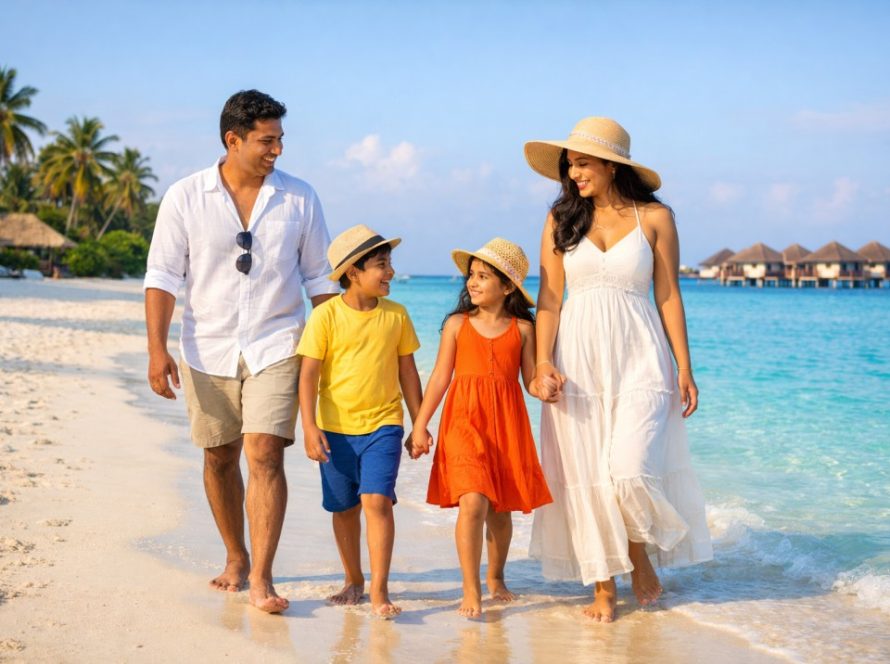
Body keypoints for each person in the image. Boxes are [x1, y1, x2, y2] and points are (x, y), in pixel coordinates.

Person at [144, 90, 338, 613]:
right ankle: (235, 556)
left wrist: (342, 345)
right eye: (266, 141)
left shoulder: (300, 197)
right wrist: (156, 350)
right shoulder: (185, 197)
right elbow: (163, 276)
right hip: (206, 347)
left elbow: (320, 278)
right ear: (233, 140)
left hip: (279, 341)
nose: (277, 150)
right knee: (219, 455)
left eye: (280, 140)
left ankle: (262, 577)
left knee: (264, 452)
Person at [524, 117, 713, 622]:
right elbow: (548, 299)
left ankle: (640, 555)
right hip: (577, 362)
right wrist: (542, 361)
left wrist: (685, 367)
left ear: (611, 164)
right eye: (570, 164)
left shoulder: (655, 217)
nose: (573, 171)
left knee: (629, 470)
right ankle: (604, 587)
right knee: (587, 472)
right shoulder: (558, 220)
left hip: (642, 356)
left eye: (582, 162)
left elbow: (669, 294)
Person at [408, 238, 552, 618]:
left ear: (507, 288)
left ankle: (496, 576)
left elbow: (530, 380)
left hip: (505, 425)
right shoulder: (457, 324)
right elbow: (440, 377)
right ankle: (470, 588)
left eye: (483, 276)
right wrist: (420, 425)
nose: (472, 282)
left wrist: (548, 387)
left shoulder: (523, 329)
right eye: (471, 275)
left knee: (499, 511)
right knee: (473, 500)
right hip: (463, 420)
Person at [297, 224, 423, 619]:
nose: (390, 272)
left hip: (384, 425)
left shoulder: (397, 316)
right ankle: (353, 579)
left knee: (376, 501)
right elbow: (308, 375)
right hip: (334, 430)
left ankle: (380, 590)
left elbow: (408, 373)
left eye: (390, 264)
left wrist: (419, 424)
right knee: (344, 508)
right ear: (353, 272)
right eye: (381, 265)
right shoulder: (325, 317)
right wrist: (309, 426)